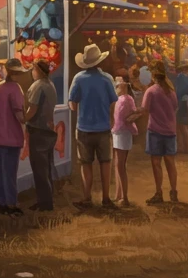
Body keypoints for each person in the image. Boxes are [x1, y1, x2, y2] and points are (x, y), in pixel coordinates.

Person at [67, 43, 117, 209]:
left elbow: (72, 104)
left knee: (86, 163)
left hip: (84, 128)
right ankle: (106, 198)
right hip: (103, 127)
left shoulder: (79, 79)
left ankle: (87, 197)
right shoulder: (107, 79)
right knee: (105, 163)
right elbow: (113, 102)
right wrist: (110, 118)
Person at [131, 59, 180, 204]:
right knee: (170, 162)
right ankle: (173, 191)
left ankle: (159, 192)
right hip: (170, 130)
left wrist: (132, 110)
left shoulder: (151, 91)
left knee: (156, 162)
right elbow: (175, 107)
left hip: (155, 131)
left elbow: (144, 109)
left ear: (153, 74)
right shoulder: (171, 91)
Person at [0, 59, 30, 216]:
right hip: (12, 138)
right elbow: (20, 115)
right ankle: (12, 204)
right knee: (10, 173)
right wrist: (27, 119)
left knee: (0, 173)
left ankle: (1, 203)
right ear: (17, 74)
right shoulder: (16, 89)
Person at [24, 61, 59, 211]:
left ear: (38, 70)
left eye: (33, 69)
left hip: (38, 130)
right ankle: (47, 200)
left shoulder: (38, 86)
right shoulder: (50, 84)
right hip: (48, 131)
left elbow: (32, 108)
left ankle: (44, 203)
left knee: (40, 170)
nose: (32, 71)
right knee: (47, 168)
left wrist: (22, 119)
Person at [112, 76, 139, 207]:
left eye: (117, 86)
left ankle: (125, 197)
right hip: (118, 133)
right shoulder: (122, 99)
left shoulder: (127, 99)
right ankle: (119, 194)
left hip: (123, 133)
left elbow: (135, 113)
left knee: (120, 165)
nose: (116, 88)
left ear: (123, 86)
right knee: (118, 164)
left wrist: (128, 120)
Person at [172, 61, 188, 154]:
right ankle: (185, 147)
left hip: (180, 102)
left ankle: (182, 147)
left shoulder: (180, 78)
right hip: (185, 102)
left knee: (180, 126)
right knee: (183, 126)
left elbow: (178, 91)